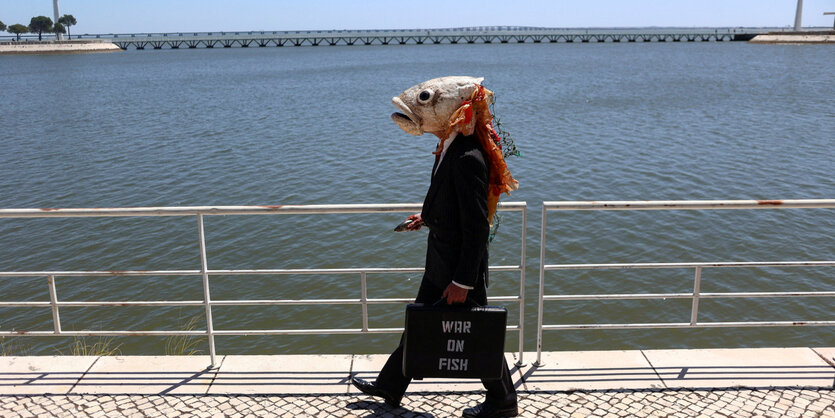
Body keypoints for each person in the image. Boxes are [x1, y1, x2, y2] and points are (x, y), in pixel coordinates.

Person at [351, 77, 518, 417]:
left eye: (428, 100)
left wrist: (463, 281)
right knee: (419, 322)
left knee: (479, 334)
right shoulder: (451, 146)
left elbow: (475, 228)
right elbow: (452, 204)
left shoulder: (467, 155)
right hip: (442, 259)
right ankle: (390, 385)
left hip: (457, 267)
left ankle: (503, 401)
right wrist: (427, 216)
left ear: (456, 108)